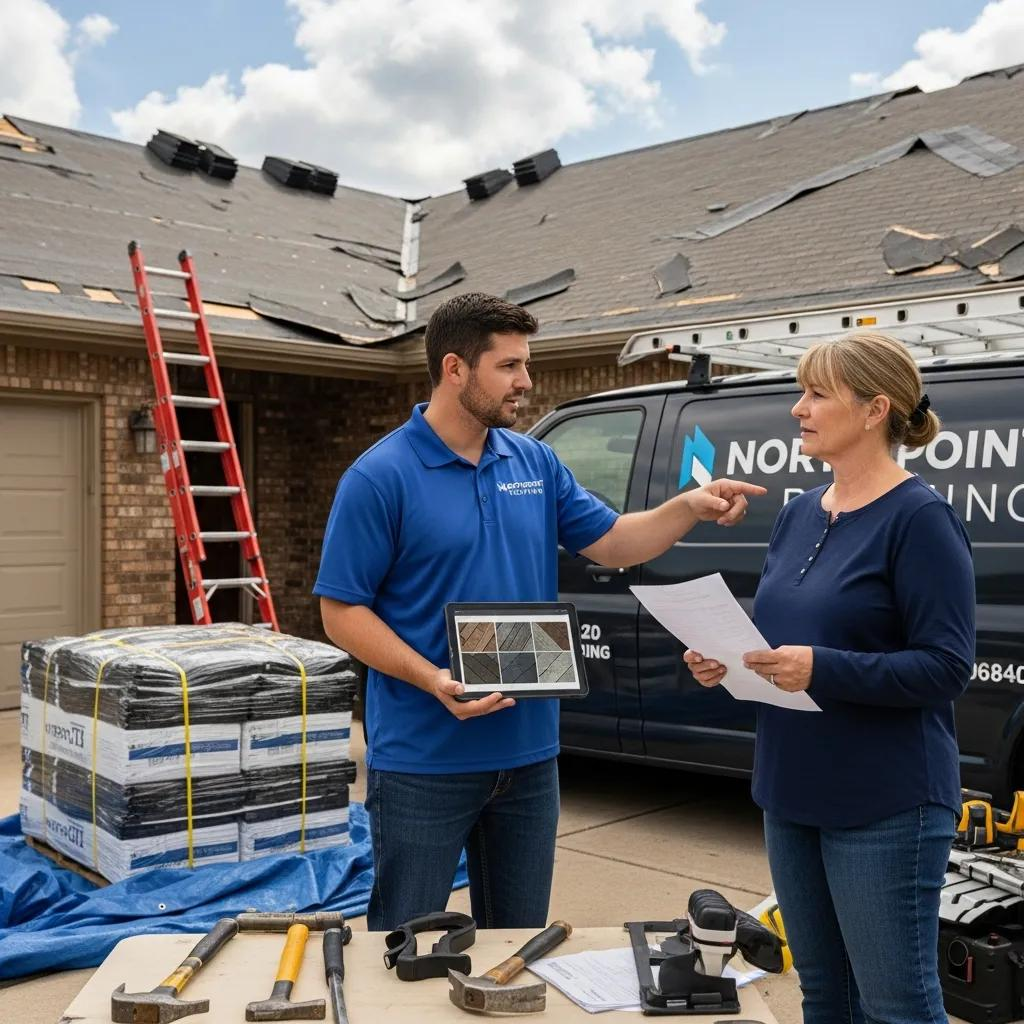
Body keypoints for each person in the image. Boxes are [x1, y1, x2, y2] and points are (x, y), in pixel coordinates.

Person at [314, 292, 765, 931]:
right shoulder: (379, 477)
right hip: (424, 759)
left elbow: (613, 540)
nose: (526, 381)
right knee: (403, 951)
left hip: (529, 757)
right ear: (454, 369)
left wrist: (688, 507)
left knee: (519, 946)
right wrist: (433, 679)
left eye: (526, 364)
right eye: (509, 366)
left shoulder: (533, 459)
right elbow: (341, 611)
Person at [684, 332, 975, 1024]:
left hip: (886, 803)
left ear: (875, 410)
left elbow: (946, 666)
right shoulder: (797, 512)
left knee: (895, 1004)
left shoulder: (921, 520)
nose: (797, 409)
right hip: (791, 789)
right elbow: (783, 636)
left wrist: (822, 667)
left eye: (817, 394)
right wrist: (725, 660)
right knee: (825, 995)